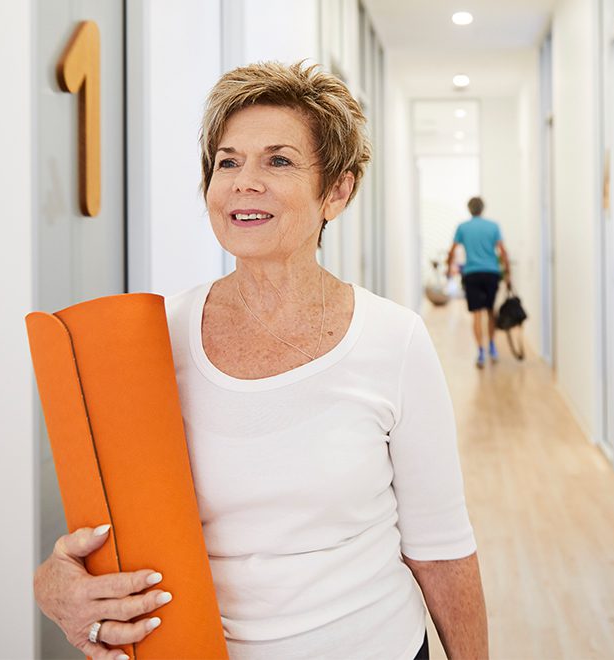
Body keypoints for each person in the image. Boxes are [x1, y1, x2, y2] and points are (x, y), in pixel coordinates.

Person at [33, 61, 488, 660]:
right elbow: (109, 527)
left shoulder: (393, 340)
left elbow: (441, 549)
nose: (244, 182)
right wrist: (55, 584)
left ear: (338, 191)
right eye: (227, 161)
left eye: (278, 160)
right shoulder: (152, 338)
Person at [446, 198, 510, 369]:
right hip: (491, 273)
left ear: (469, 209)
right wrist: (508, 274)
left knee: (476, 314)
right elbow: (503, 252)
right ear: (483, 209)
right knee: (490, 311)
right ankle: (492, 347)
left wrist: (448, 269)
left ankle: (480, 352)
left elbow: (452, 251)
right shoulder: (493, 226)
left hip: (472, 273)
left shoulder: (463, 227)